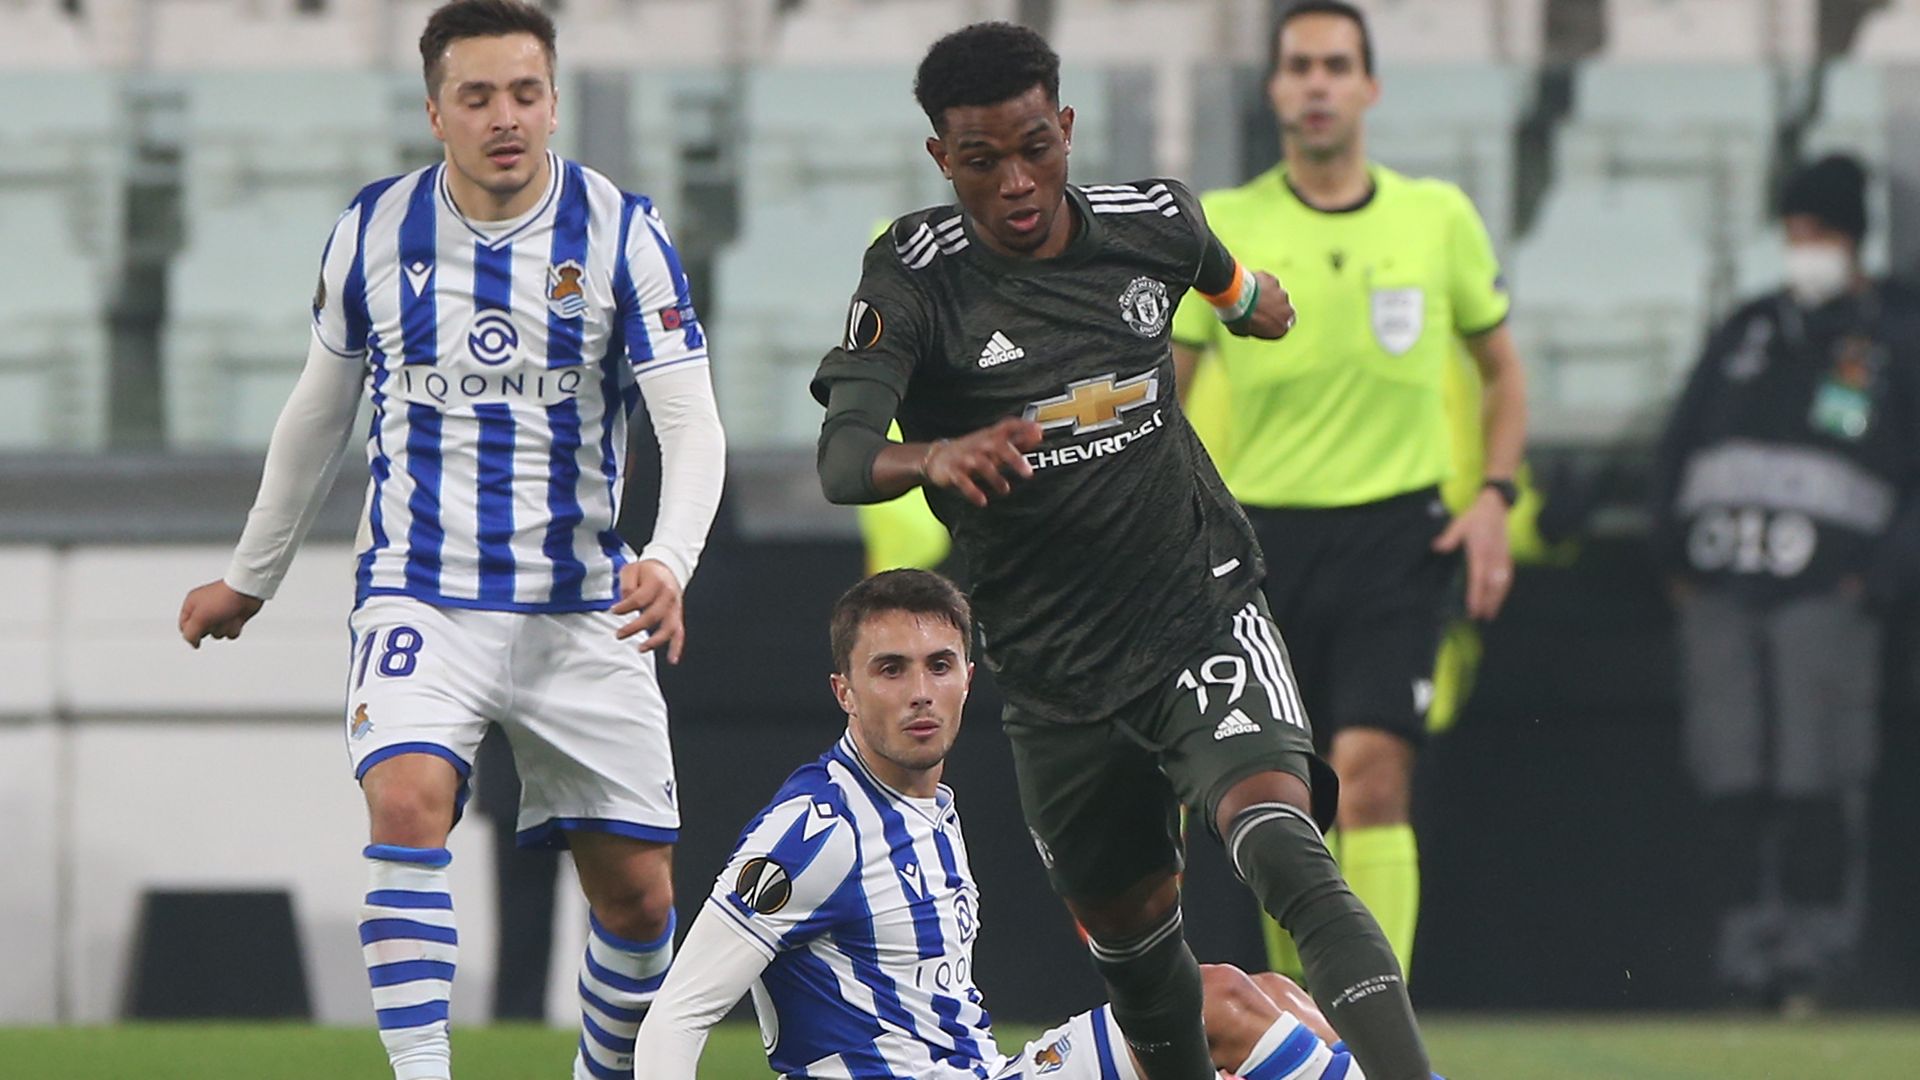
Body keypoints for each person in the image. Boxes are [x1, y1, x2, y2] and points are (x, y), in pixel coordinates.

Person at [808, 22, 1432, 1080]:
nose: (1015, 181)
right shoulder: (914, 277)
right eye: (980, 160)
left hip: (1199, 607)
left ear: (1065, 127)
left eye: (1034, 148)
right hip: (1054, 672)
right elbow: (843, 458)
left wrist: (1254, 304)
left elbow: (1233, 283)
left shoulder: (1156, 223)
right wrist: (937, 457)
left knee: (1283, 842)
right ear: (939, 158)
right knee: (1140, 957)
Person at [174, 2, 727, 1076]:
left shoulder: (623, 232)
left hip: (585, 605)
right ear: (436, 111)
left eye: (524, 93)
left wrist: (669, 561)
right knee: (409, 799)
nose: (504, 117)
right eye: (477, 96)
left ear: (555, 102)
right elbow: (317, 414)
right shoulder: (375, 230)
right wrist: (251, 578)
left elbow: (690, 420)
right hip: (421, 592)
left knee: (639, 893)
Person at [634, 569, 1398, 1080]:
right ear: (844, 690)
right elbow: (676, 1013)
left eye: (940, 664)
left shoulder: (928, 806)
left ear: (971, 674)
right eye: (890, 669)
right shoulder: (815, 830)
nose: (920, 693)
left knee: (1275, 994)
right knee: (1219, 1000)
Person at [1168, 0, 1527, 982]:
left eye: (1335, 65)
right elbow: (1171, 393)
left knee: (1372, 778)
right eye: (1299, 66)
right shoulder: (1230, 226)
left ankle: (1378, 1026)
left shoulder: (1435, 217)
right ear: (1274, 86)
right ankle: (1313, 1019)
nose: (1317, 83)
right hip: (1259, 547)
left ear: (1369, 86)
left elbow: (1502, 371)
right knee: (1287, 799)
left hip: (1394, 541)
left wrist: (1493, 493)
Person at [1652, 153, 1920, 1006]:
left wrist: (1874, 582)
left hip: (1825, 600)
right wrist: (1674, 560)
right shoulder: (1748, 327)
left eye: (1822, 234)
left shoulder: (1895, 338)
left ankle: (1810, 967)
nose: (1805, 248)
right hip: (1722, 596)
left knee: (1816, 783)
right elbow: (1679, 444)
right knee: (1730, 782)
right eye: (1797, 232)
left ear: (1853, 240)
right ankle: (1742, 965)